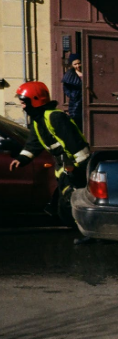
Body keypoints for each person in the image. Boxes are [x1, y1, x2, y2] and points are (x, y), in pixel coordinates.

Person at [9, 81, 90, 242]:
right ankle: (82, 231)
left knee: (74, 201)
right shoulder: (38, 121)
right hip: (63, 167)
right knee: (66, 203)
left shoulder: (55, 117)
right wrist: (21, 159)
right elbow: (34, 143)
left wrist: (77, 168)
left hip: (74, 167)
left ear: (36, 99)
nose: (22, 106)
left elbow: (75, 144)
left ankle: (89, 233)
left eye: (24, 102)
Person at [62, 53, 83, 130]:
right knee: (76, 121)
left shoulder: (86, 72)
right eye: (75, 64)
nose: (78, 66)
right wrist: (73, 95)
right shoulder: (69, 75)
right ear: (72, 65)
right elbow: (66, 89)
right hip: (76, 102)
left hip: (85, 100)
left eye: (79, 63)